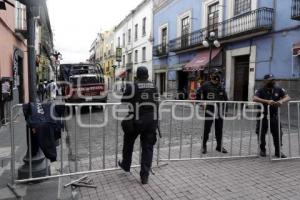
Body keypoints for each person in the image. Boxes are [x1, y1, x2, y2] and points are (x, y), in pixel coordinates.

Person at [118, 66, 159, 184]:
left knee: (128, 141)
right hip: (152, 119)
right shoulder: (154, 86)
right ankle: (144, 176)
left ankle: (126, 165)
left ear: (137, 75)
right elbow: (156, 102)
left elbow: (123, 100)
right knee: (148, 148)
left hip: (136, 119)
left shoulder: (133, 86)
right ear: (147, 75)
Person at [253, 74, 290, 158]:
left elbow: (288, 97)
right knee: (261, 133)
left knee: (278, 134)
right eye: (270, 80)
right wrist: (266, 101)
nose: (272, 81)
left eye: (273, 79)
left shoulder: (278, 89)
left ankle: (278, 151)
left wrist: (281, 101)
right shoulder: (260, 90)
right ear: (265, 81)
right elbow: (254, 98)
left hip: (274, 116)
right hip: (262, 116)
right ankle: (262, 150)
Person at [196, 69, 228, 154]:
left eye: (218, 74)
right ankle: (203, 146)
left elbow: (225, 98)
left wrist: (225, 111)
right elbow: (198, 94)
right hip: (210, 110)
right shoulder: (206, 85)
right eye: (215, 74)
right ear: (211, 76)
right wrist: (201, 103)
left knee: (219, 129)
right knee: (207, 129)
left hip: (219, 110)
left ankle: (219, 146)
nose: (217, 76)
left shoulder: (221, 86)